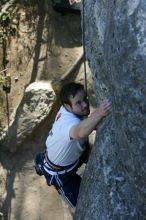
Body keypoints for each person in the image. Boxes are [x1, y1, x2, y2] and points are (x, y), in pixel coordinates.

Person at [42, 82, 112, 209]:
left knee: (85, 142)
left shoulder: (67, 110)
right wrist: (100, 112)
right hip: (59, 173)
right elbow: (79, 132)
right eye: (78, 103)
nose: (85, 104)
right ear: (67, 106)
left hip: (70, 156)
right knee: (81, 204)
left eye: (85, 98)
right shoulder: (68, 123)